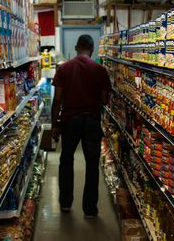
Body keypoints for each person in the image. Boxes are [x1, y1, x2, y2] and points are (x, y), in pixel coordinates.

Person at [51, 34, 111, 218]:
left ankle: (66, 204)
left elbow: (57, 100)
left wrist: (55, 125)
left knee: (66, 160)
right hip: (91, 121)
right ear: (92, 50)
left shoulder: (64, 68)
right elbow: (104, 100)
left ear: (77, 48)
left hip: (69, 121)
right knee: (92, 164)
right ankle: (90, 209)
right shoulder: (101, 70)